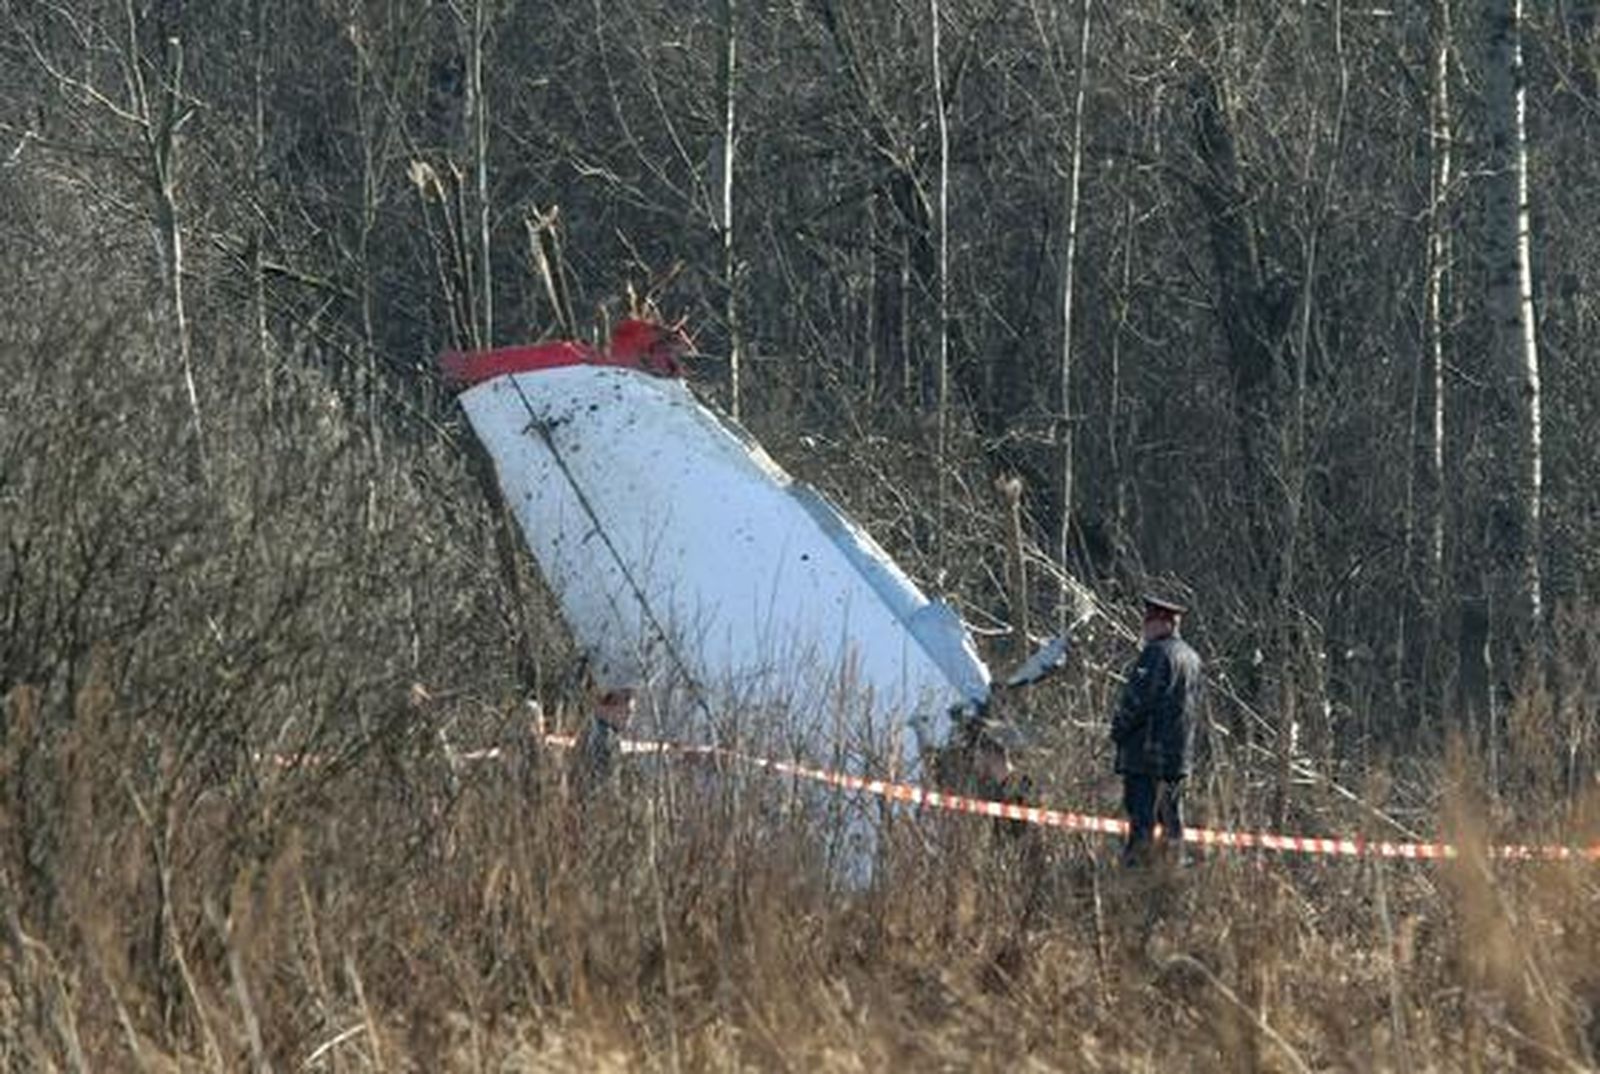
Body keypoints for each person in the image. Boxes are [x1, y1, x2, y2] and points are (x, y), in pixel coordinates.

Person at [1110, 595, 1202, 866]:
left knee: (1142, 823)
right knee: (1172, 823)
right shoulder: (1192, 658)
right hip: (1177, 758)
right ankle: (1172, 880)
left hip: (1145, 757)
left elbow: (1138, 701)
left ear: (1163, 623)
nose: (1144, 627)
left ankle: (1136, 881)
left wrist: (1118, 730)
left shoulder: (1155, 654)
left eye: (1149, 620)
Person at [572, 685, 636, 799]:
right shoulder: (606, 737)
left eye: (631, 713)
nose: (629, 718)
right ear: (610, 709)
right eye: (626, 712)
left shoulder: (590, 729)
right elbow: (606, 782)